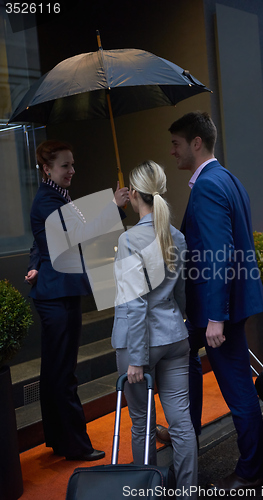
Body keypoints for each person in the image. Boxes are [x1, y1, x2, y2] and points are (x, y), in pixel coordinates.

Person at [157, 111, 263, 492]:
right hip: (216, 307)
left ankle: (251, 471)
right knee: (184, 363)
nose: (172, 151)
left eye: (176, 143)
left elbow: (219, 253)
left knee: (237, 389)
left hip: (216, 311)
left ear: (196, 143)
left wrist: (216, 318)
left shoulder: (206, 186)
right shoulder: (228, 179)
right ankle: (186, 431)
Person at [25, 139, 129, 461]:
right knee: (63, 374)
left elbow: (42, 243)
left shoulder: (55, 197)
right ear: (47, 169)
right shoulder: (48, 200)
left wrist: (34, 264)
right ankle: (75, 446)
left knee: (57, 372)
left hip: (58, 292)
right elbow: (77, 235)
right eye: (65, 166)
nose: (72, 170)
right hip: (57, 296)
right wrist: (112, 205)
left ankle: (59, 440)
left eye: (72, 164)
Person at [111, 160, 198, 496]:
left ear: (133, 194)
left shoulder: (130, 239)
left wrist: (135, 357)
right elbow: (180, 294)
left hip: (139, 344)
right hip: (175, 335)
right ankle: (187, 492)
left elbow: (134, 304)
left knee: (142, 425)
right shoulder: (176, 235)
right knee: (181, 423)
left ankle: (147, 492)